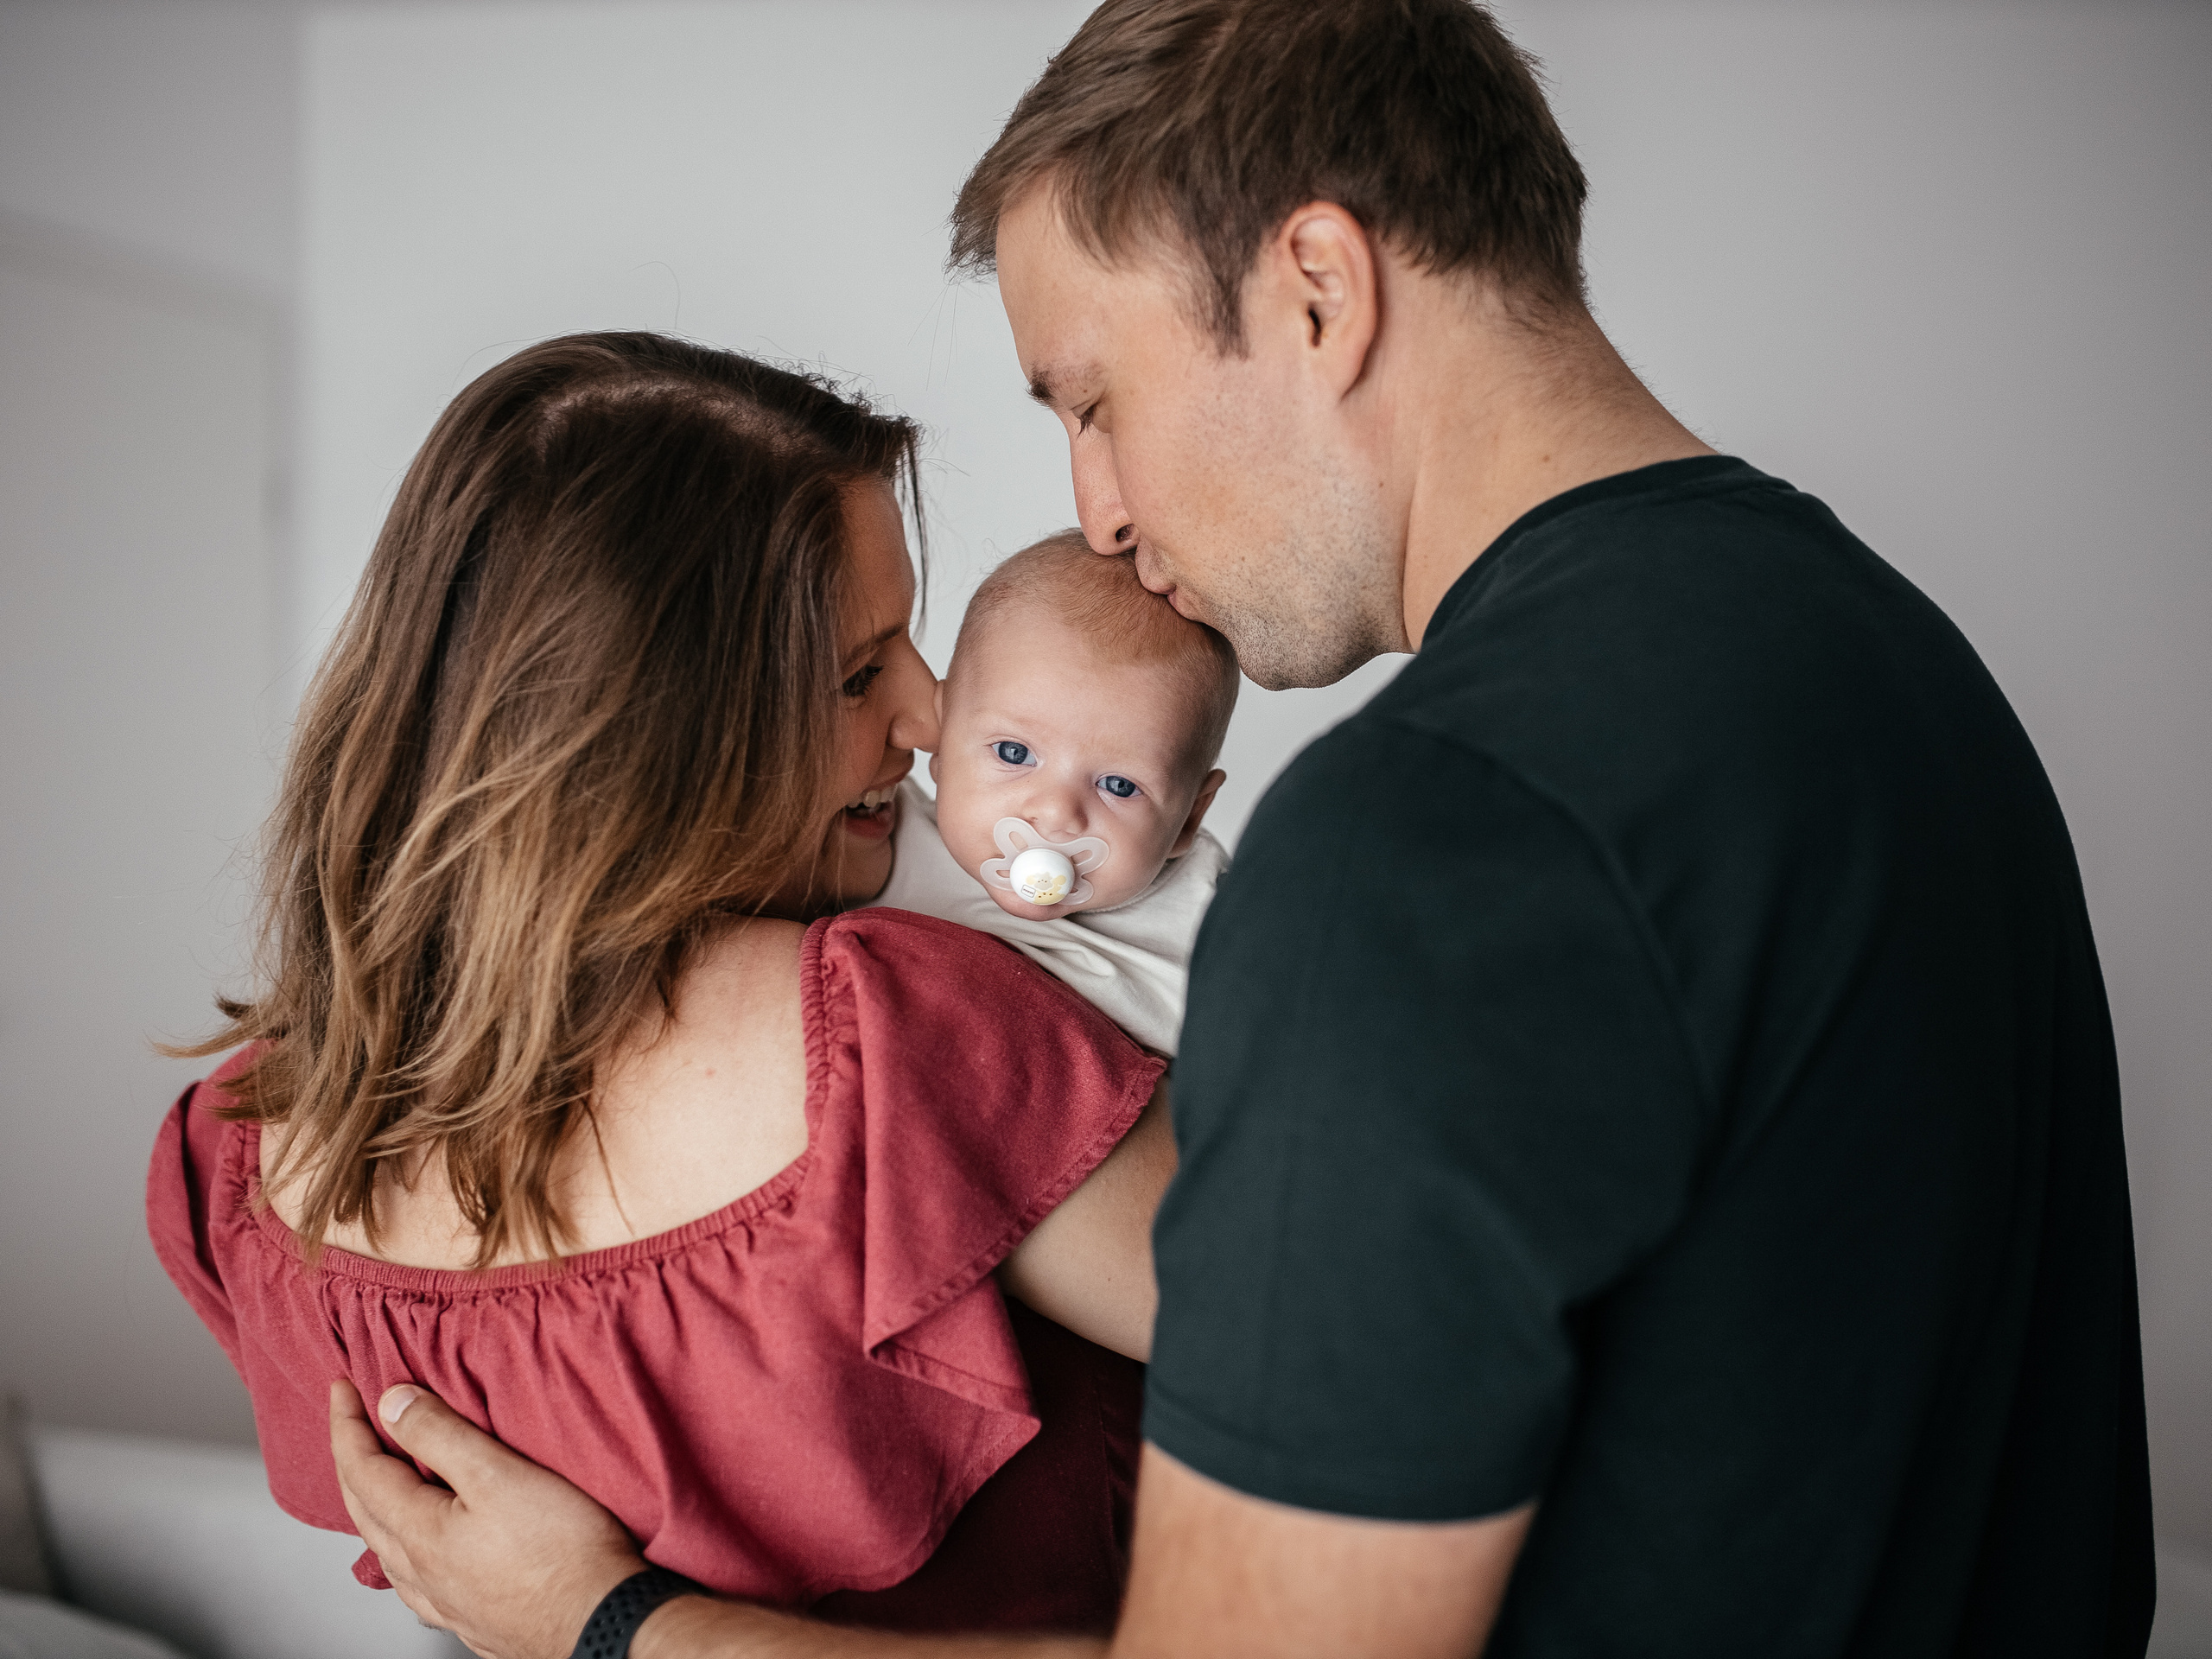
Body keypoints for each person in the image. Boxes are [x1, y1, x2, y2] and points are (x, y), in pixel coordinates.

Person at [327, 1, 2156, 1656]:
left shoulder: (1429, 841)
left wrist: (614, 1626)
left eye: (1094, 400)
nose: (1098, 517)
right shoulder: (1891, 668)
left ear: (1312, 290)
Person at [146, 332, 1183, 1634]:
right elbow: (1417, 1410)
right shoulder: (894, 1045)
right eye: (862, 670)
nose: (929, 714)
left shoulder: (241, 1151)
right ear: (651, 743)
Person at [874, 531, 1236, 1054]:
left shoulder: (1216, 924)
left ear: (1188, 819)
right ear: (944, 736)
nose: (1056, 813)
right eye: (1014, 754)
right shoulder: (882, 842)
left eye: (1118, 785)